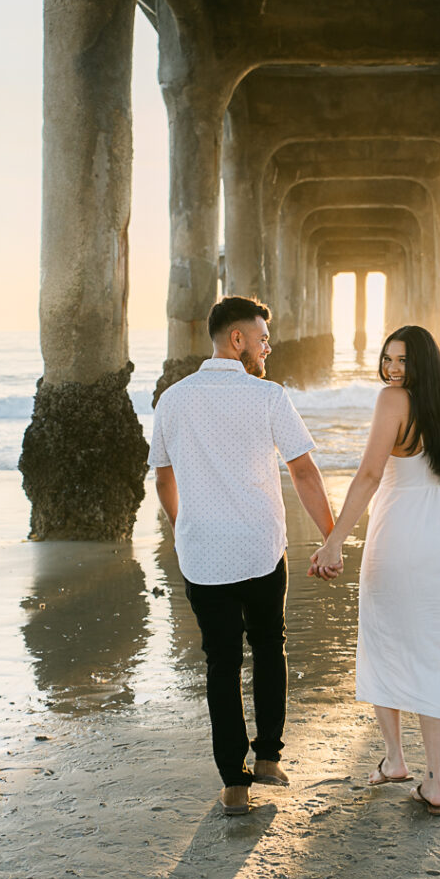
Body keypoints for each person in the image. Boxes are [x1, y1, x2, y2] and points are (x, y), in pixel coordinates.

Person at [149, 296, 341, 817]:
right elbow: (303, 471)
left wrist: (181, 524)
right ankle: (269, 760)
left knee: (221, 663)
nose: (267, 346)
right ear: (237, 340)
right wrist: (331, 534)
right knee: (268, 647)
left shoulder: (171, 399)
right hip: (259, 547)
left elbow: (164, 478)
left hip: (202, 552)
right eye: (261, 337)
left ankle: (234, 783)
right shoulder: (268, 397)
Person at [311, 325, 440, 815]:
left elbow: (370, 474)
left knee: (384, 637)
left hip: (401, 530)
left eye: (402, 360)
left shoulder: (393, 401)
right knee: (433, 647)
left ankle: (395, 759)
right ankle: (433, 779)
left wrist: (334, 540)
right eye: (388, 358)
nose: (392, 369)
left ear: (419, 365)